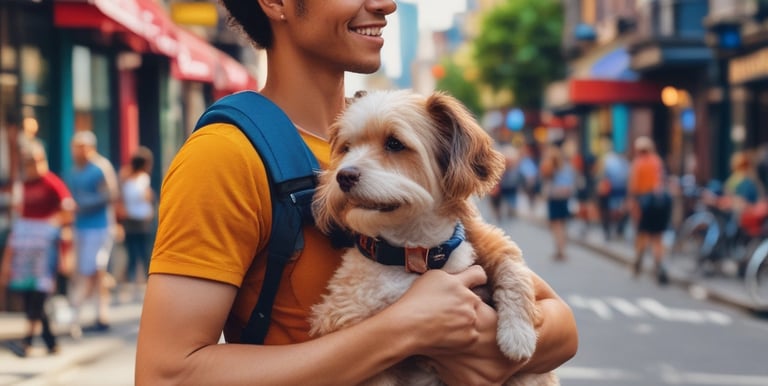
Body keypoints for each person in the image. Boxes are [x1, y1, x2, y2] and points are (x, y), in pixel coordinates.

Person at [135, 1, 578, 385]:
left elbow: (562, 328)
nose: (386, 4)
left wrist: (480, 347)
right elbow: (166, 375)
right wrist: (404, 330)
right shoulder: (225, 156)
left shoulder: (404, 141)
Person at [0, 140, 75, 356]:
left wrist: (55, 227)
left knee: (39, 292)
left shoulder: (52, 183)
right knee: (29, 291)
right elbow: (19, 217)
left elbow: (68, 211)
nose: (32, 166)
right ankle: (50, 342)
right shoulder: (22, 186)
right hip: (25, 248)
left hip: (46, 249)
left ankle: (27, 342)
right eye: (28, 162)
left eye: (35, 161)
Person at [65, 130, 119, 335]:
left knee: (94, 268)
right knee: (93, 273)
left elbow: (110, 194)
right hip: (81, 228)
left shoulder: (100, 168)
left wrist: (83, 204)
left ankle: (76, 314)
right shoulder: (73, 171)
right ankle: (100, 314)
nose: (78, 152)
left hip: (101, 227)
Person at [628, 136, 671, 285]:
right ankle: (658, 265)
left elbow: (634, 186)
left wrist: (633, 204)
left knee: (643, 234)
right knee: (658, 237)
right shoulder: (657, 161)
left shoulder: (638, 163)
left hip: (645, 202)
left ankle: (638, 261)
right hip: (659, 204)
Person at [116, 147, 155, 299]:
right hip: (142, 220)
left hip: (130, 220)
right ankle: (145, 285)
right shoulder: (143, 179)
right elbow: (147, 197)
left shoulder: (124, 179)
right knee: (144, 254)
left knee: (132, 254)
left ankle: (132, 285)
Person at [539, 144, 577, 261]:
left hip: (554, 198)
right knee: (562, 225)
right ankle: (562, 248)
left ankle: (559, 249)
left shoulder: (549, 167)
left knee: (556, 225)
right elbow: (571, 184)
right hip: (564, 198)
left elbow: (544, 181)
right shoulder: (566, 167)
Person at [595, 136, 630, 241]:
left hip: (609, 190)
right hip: (620, 189)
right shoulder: (624, 161)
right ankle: (619, 230)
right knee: (622, 210)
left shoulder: (606, 160)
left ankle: (608, 232)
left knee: (606, 211)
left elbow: (600, 175)